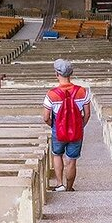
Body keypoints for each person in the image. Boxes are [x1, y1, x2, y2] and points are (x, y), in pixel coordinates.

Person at [42, 59, 91, 192]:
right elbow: (87, 114)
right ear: (71, 73)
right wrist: (80, 126)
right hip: (76, 129)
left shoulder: (51, 94)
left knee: (57, 154)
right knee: (72, 160)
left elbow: (46, 117)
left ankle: (59, 184)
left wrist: (54, 126)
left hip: (58, 129)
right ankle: (69, 188)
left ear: (57, 74)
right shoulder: (83, 92)